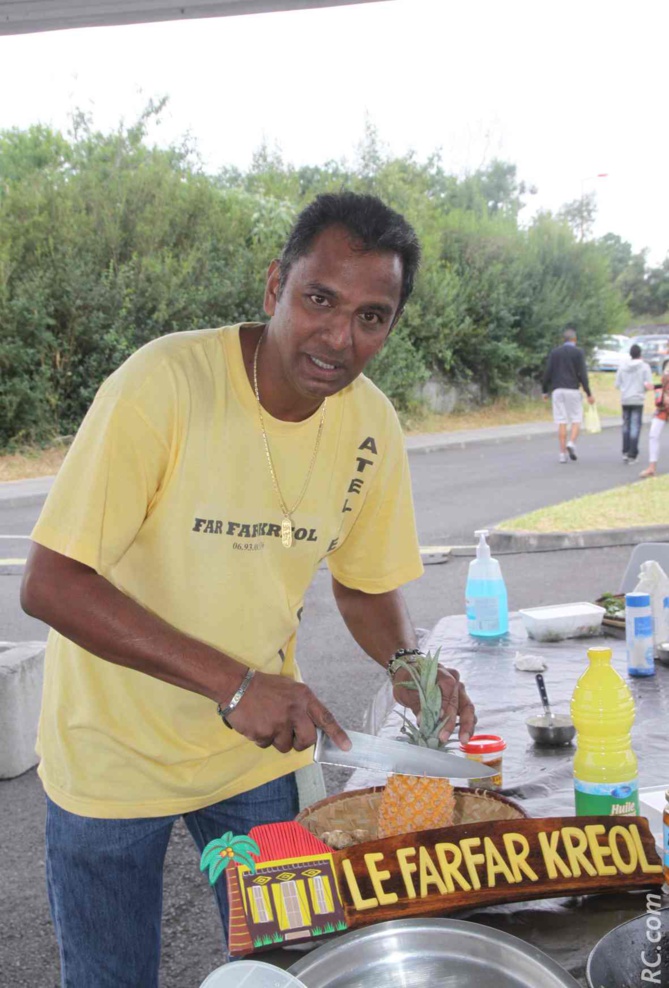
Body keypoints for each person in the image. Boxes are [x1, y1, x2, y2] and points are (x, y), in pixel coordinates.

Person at [20, 191, 477, 987]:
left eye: (372, 316)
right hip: (109, 754)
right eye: (319, 300)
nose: (340, 337)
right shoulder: (163, 385)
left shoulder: (370, 425)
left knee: (293, 963)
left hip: (255, 757)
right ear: (275, 288)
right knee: (109, 978)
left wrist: (406, 664)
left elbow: (365, 588)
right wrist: (234, 685)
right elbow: (51, 583)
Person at [542, 326, 595, 463]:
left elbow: (547, 372)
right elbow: (582, 374)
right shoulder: (578, 353)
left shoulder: (555, 353)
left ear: (563, 339)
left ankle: (562, 454)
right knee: (576, 419)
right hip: (572, 389)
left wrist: (544, 390)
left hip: (558, 390)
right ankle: (571, 443)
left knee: (561, 421)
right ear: (574, 339)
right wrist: (588, 392)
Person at [614, 343, 654, 464]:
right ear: (640, 354)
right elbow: (648, 384)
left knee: (626, 425)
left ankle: (625, 451)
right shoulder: (645, 367)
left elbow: (617, 384)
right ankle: (633, 453)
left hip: (625, 398)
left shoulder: (622, 366)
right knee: (635, 426)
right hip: (637, 399)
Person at [639, 365, 669, 478]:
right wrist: (655, 387)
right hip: (663, 407)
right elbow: (664, 384)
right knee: (653, 435)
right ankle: (652, 467)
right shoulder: (667, 364)